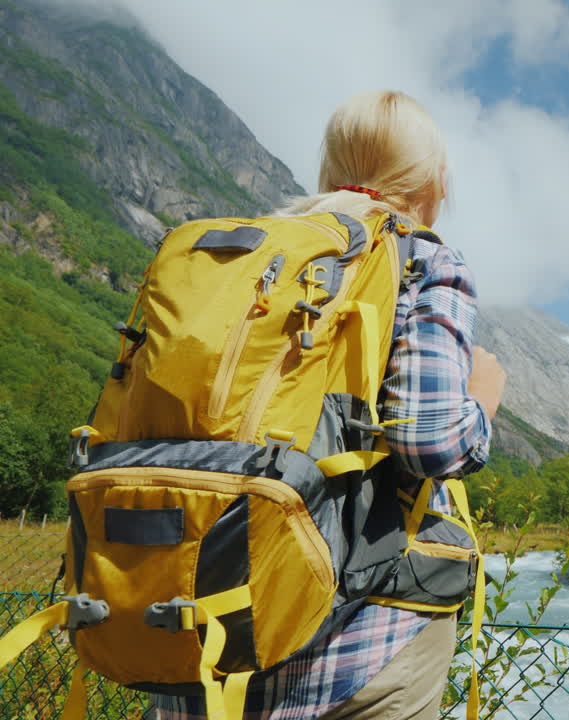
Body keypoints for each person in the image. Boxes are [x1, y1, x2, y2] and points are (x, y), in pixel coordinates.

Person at [153, 89, 506, 720]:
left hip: (203, 625)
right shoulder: (421, 257)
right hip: (359, 643)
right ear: (432, 180)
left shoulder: (248, 251)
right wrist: (483, 399)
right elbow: (430, 443)